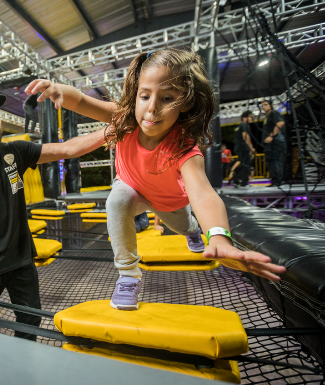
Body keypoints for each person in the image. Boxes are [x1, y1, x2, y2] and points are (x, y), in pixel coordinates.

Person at [26, 48, 286, 311]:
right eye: (145, 96)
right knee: (116, 201)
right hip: (131, 188)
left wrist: (218, 238)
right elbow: (82, 103)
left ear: (185, 102)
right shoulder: (125, 119)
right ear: (135, 95)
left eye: (167, 98)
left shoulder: (184, 148)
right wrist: (59, 89)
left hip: (168, 201)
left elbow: (203, 194)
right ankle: (128, 276)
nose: (152, 108)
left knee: (183, 226)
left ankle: (193, 230)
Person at [0, 88, 106, 340]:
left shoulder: (14, 153)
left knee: (30, 321)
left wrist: (110, 131)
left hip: (21, 259)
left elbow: (68, 149)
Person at [261, 100, 286, 187]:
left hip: (275, 141)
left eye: (265, 104)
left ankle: (278, 181)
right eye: (262, 105)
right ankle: (274, 181)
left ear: (271, 105)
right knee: (271, 161)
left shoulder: (274, 113)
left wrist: (271, 136)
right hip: (269, 144)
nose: (263, 106)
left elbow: (280, 123)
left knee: (275, 160)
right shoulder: (267, 116)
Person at [233, 111, 256, 187]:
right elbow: (245, 137)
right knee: (246, 165)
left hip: (238, 147)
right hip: (243, 147)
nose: (251, 119)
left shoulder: (239, 126)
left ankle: (237, 181)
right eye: (250, 117)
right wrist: (251, 148)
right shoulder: (244, 125)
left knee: (242, 163)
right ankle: (243, 182)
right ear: (244, 117)